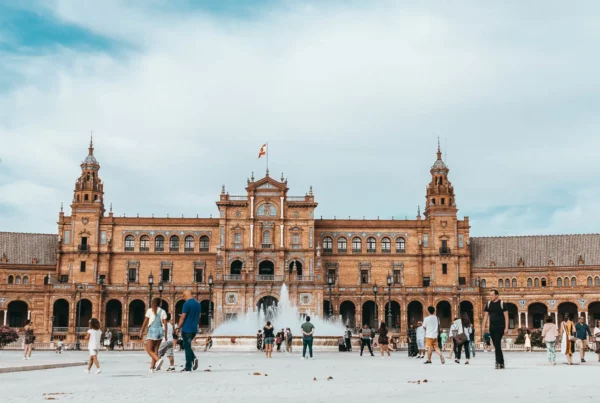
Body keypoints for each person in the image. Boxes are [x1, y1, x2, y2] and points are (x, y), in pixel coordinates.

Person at [482, 289, 508, 369]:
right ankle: (502, 362)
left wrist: (506, 327)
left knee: (497, 343)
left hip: (500, 327)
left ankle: (497, 362)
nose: (491, 296)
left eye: (492, 295)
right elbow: (486, 315)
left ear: (497, 295)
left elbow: (506, 317)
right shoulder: (489, 304)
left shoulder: (502, 304)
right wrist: (483, 325)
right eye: (490, 295)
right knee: (496, 345)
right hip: (492, 327)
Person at [140, 297, 168, 373]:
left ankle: (158, 359)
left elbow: (145, 321)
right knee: (156, 350)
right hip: (160, 330)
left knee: (149, 349)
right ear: (160, 304)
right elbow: (165, 324)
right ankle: (151, 368)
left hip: (153, 330)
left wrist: (141, 330)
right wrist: (165, 334)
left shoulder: (149, 310)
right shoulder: (163, 311)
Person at [177, 290, 201, 372]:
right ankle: (193, 359)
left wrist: (178, 327)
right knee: (186, 345)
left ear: (185, 295)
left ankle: (188, 366)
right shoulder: (198, 304)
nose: (183, 299)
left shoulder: (186, 304)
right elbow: (199, 316)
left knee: (187, 347)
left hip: (187, 328)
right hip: (194, 329)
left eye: (183, 297)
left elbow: (183, 316)